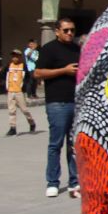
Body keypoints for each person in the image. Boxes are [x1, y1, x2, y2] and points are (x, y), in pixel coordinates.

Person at [35, 19, 81, 198]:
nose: (70, 33)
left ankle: (74, 181)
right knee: (56, 143)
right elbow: (38, 73)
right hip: (57, 103)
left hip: (76, 102)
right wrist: (63, 70)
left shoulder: (77, 49)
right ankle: (52, 182)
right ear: (57, 31)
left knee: (74, 145)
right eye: (66, 30)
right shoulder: (49, 49)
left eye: (72, 30)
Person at [5, 49, 37, 136]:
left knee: (24, 110)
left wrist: (26, 89)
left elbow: (28, 78)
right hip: (10, 91)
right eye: (13, 56)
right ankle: (13, 128)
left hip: (19, 91)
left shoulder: (23, 66)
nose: (14, 58)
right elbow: (5, 75)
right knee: (11, 110)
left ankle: (32, 123)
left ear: (19, 57)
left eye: (16, 56)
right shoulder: (9, 65)